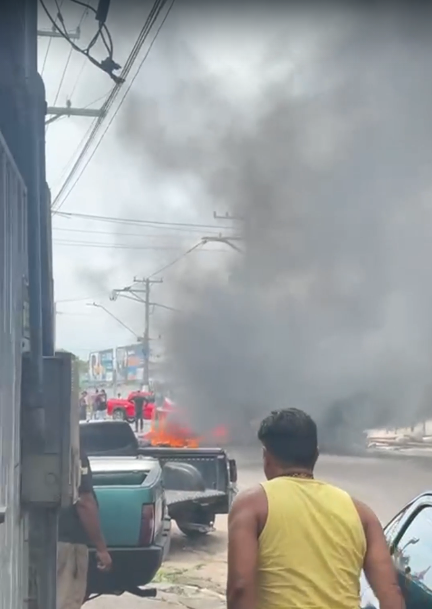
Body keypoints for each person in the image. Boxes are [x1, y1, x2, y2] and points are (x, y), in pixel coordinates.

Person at [226, 408, 405, 609]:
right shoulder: (361, 513)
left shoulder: (252, 505)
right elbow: (390, 591)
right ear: (316, 454)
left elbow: (240, 588)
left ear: (266, 457)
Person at [58, 446, 112, 609]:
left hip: (39, 540)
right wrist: (101, 548)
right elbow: (84, 502)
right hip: (68, 545)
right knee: (66, 601)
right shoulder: (72, 449)